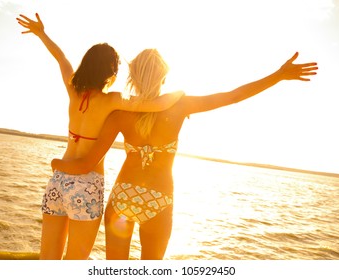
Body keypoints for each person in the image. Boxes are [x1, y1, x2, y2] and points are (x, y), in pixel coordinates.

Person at [51, 49, 318, 259]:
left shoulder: (120, 114)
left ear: (132, 77)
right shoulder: (179, 106)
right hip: (160, 199)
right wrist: (278, 75)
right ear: (163, 77)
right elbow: (233, 96)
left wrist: (57, 163)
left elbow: (88, 161)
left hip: (123, 198)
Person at [16, 14, 183, 260]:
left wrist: (42, 34)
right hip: (86, 184)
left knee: (47, 259)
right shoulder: (112, 101)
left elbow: (61, 59)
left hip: (58, 181)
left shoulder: (73, 89)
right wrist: (179, 95)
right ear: (112, 73)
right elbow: (153, 105)